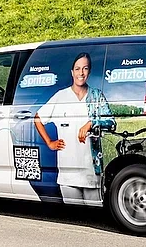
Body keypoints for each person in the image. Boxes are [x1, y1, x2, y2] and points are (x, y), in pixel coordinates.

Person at [34, 52, 115, 202]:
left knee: (94, 214)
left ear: (89, 71)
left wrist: (92, 123)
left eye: (85, 68)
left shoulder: (96, 96)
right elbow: (38, 118)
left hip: (92, 173)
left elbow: (111, 122)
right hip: (67, 173)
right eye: (77, 69)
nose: (81, 73)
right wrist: (50, 143)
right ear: (72, 72)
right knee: (74, 219)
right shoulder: (60, 96)